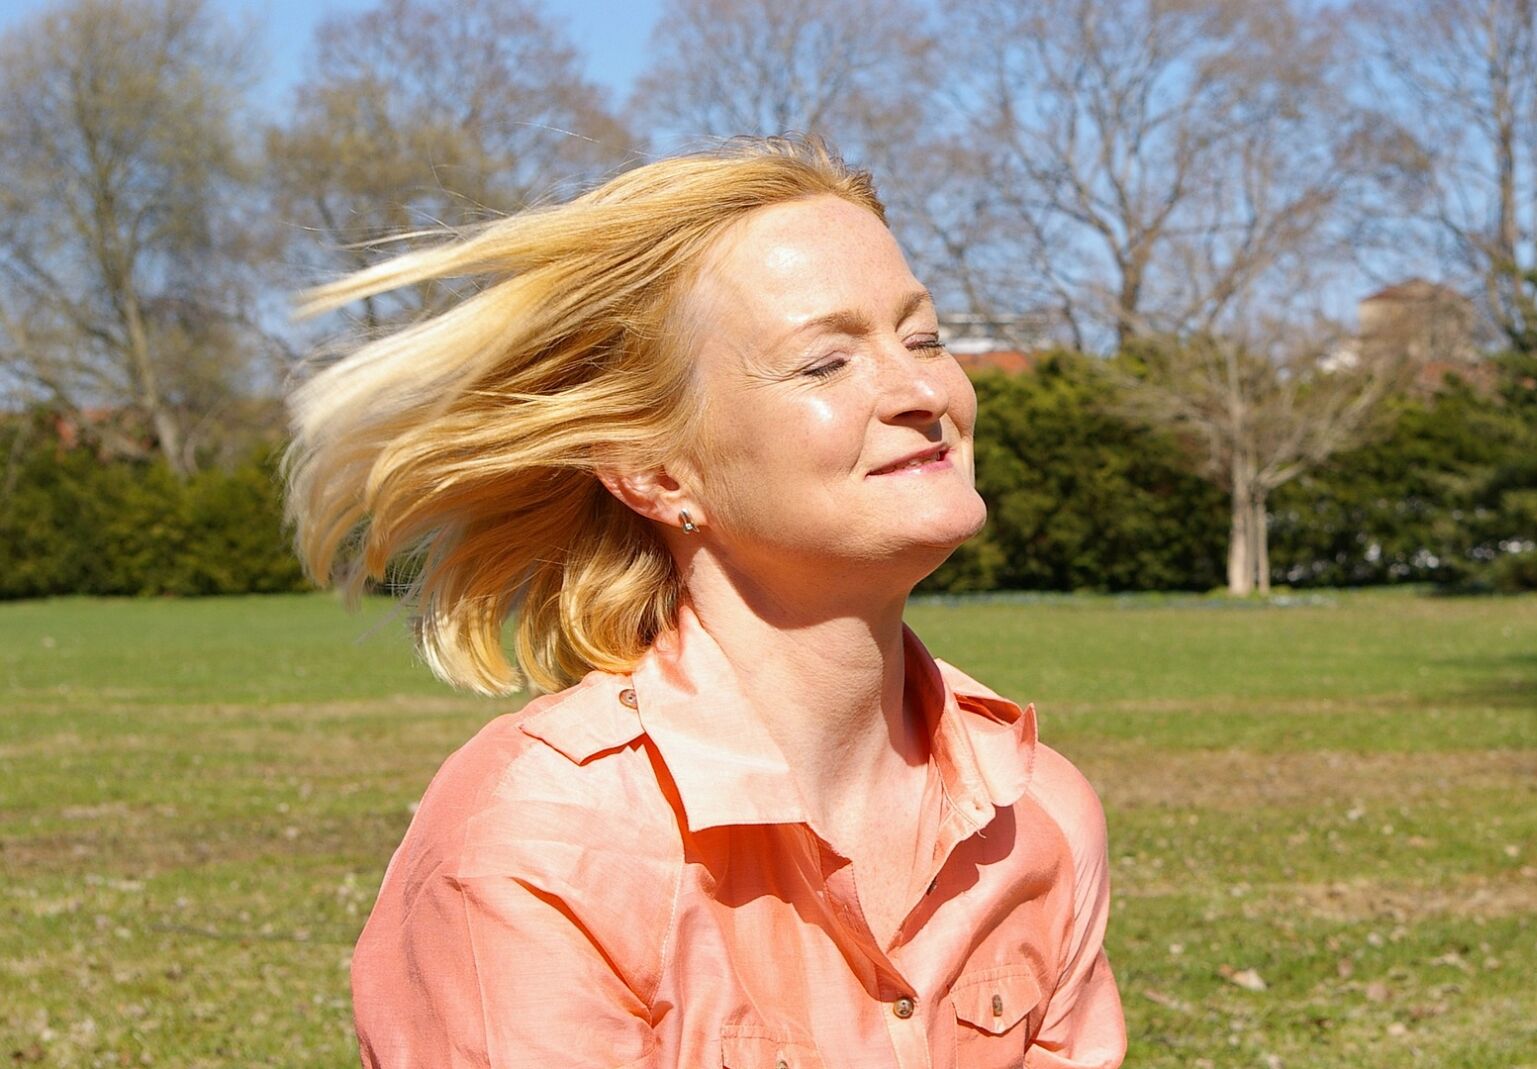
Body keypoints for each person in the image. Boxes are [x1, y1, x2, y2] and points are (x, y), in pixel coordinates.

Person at [283, 137, 1127, 1068]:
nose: (924, 389)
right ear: (654, 471)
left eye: (923, 337)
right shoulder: (541, 838)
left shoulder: (1040, 811)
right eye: (824, 363)